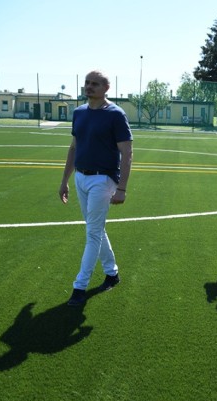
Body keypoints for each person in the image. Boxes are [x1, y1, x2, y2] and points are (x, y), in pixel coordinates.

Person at [58, 70, 133, 306]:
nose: (89, 87)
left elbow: (127, 153)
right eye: (87, 83)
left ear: (106, 88)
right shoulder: (79, 112)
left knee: (92, 233)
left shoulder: (116, 115)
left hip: (103, 180)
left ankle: (80, 287)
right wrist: (64, 181)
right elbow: (73, 148)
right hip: (81, 177)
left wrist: (121, 188)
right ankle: (112, 273)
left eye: (95, 84)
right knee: (96, 229)